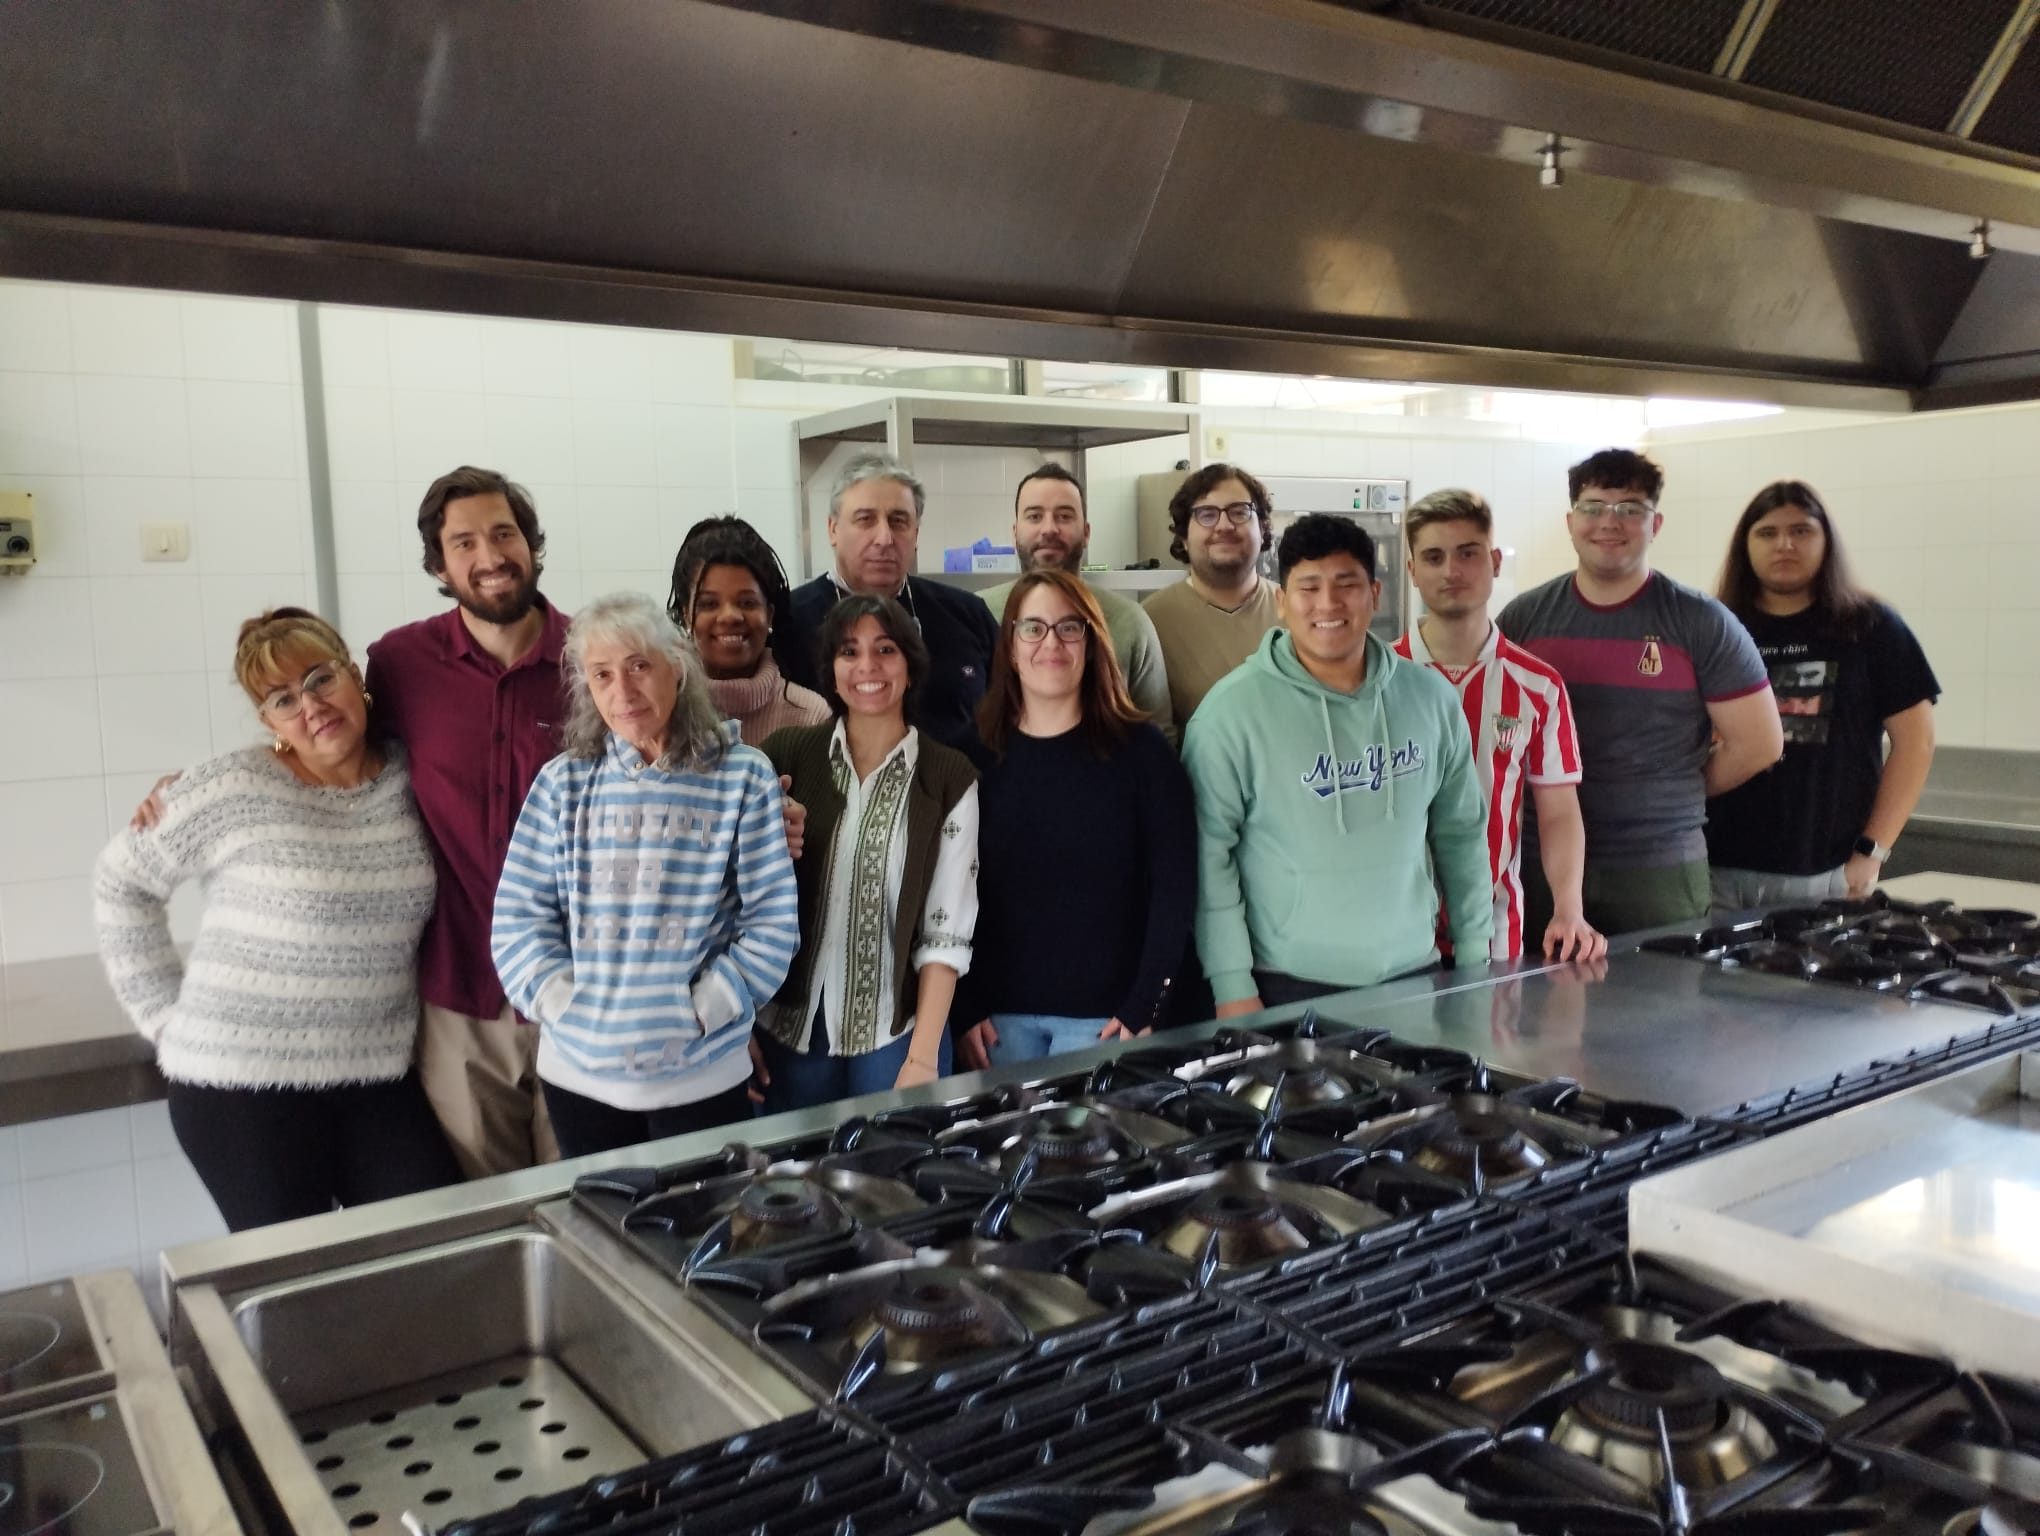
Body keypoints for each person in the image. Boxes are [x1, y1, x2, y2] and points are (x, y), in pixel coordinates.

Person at [132, 465, 573, 1180]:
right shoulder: (403, 663)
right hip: (460, 1003)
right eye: (464, 543)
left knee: (588, 1201)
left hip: (581, 991)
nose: (490, 556)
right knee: (476, 1222)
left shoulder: (593, 663)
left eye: (503, 533)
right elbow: (328, 745)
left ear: (531, 542)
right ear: (439, 566)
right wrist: (192, 794)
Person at [94, 609, 460, 1232]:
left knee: (432, 1242)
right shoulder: (232, 785)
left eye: (320, 679)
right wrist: (162, 1018)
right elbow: (121, 882)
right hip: (242, 1088)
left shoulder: (412, 775)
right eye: (283, 699)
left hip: (377, 1075)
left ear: (353, 675)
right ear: (269, 720)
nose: (311, 706)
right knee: (292, 1275)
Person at [491, 592, 800, 1159]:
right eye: (602, 674)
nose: (624, 691)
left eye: (639, 666)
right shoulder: (562, 783)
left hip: (702, 1074)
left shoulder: (743, 776)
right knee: (602, 1214)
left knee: (703, 1212)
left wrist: (705, 1009)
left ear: (677, 668)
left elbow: (773, 924)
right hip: (578, 1077)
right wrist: (566, 1006)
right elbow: (518, 920)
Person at [1183, 514, 1491, 1015]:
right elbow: (1208, 858)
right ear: (1282, 601)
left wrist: (1476, 956)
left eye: (1347, 585)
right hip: (1287, 986)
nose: (1328, 603)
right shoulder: (1229, 715)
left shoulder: (1431, 699)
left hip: (1414, 975)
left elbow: (1462, 834)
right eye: (1309, 587)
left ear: (1375, 595)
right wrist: (1231, 985)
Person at [1498, 449, 1781, 936]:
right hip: (1537, 861)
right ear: (1570, 522)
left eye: (1630, 508)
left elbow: (1760, 744)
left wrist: (1672, 790)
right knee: (1534, 988)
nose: (1610, 522)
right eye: (1593, 507)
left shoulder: (1701, 622)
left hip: (1657, 870)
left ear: (1656, 524)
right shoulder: (1525, 619)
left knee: (1662, 987)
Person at [955, 571, 1196, 1070]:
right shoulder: (971, 754)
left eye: (1069, 627)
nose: (1051, 643)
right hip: (998, 1023)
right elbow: (945, 890)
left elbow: (1174, 888)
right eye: (1033, 628)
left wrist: (1145, 1003)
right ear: (1010, 647)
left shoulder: (1143, 752)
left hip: (1105, 1021)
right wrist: (963, 1005)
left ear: (1091, 643)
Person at [756, 595, 979, 1110]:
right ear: (831, 672)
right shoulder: (785, 756)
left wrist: (923, 1056)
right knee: (791, 1164)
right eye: (849, 651)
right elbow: (736, 899)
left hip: (897, 1034)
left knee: (894, 1163)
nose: (867, 667)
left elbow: (947, 930)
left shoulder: (947, 777)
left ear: (910, 666)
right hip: (787, 1030)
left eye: (885, 649)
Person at [1705, 481, 1938, 910]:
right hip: (1711, 869)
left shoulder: (1870, 626)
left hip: (1825, 875)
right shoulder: (1715, 626)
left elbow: (1916, 743)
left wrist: (1871, 852)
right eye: (1767, 533)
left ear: (1826, 541)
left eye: (1801, 531)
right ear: (1746, 545)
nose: (1785, 545)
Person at [1395, 489, 1605, 964]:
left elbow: (1558, 811)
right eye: (1434, 557)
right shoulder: (1377, 678)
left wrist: (1569, 909)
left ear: (1493, 562)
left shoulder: (1539, 685)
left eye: (1467, 553)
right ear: (1412, 570)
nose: (1451, 571)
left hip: (1496, 929)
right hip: (1391, 931)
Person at [780, 451, 1000, 753]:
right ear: (832, 529)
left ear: (916, 533)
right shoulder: (788, 622)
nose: (884, 538)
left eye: (898, 521)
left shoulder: (968, 615)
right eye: (865, 520)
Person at [978, 465, 1177, 744]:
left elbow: (1160, 733)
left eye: (1064, 516)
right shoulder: (977, 614)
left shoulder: (1129, 621)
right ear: (1014, 532)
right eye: (1034, 516)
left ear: (1086, 532)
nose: (1049, 528)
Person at [666, 514, 829, 745]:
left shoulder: (811, 716)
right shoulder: (661, 711)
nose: (730, 616)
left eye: (747, 602)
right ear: (686, 615)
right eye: (709, 604)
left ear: (769, 614)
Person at [1141, 462, 1283, 727]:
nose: (1224, 525)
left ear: (1263, 528)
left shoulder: (1298, 611)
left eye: (1239, 512)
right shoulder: (1149, 623)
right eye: (1207, 515)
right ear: (1183, 537)